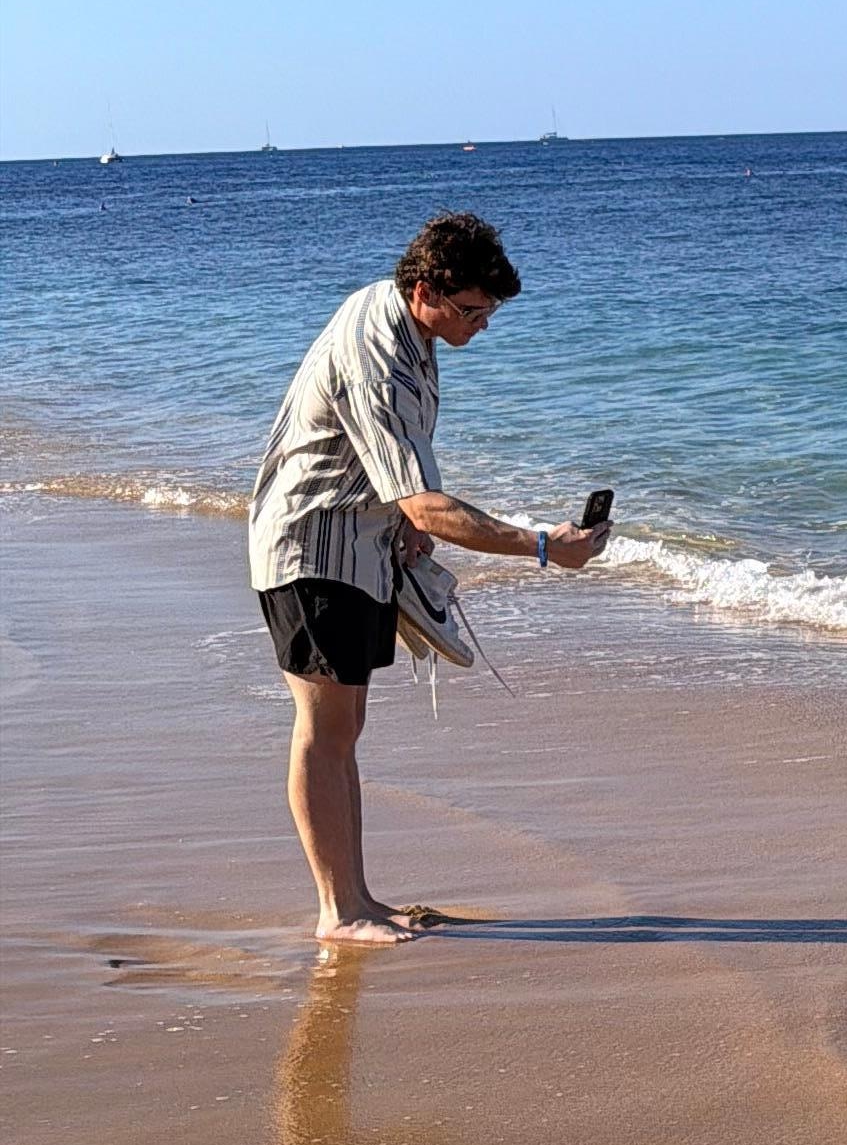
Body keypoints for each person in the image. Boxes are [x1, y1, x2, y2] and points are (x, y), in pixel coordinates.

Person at [246, 211, 610, 944]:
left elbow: (395, 472)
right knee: (323, 729)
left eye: (491, 311)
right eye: (473, 310)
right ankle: (337, 910)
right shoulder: (378, 346)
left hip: (356, 544)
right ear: (426, 290)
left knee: (345, 726)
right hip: (310, 548)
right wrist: (543, 545)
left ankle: (358, 897)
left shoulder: (410, 330)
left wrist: (406, 519)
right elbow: (427, 501)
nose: (483, 326)